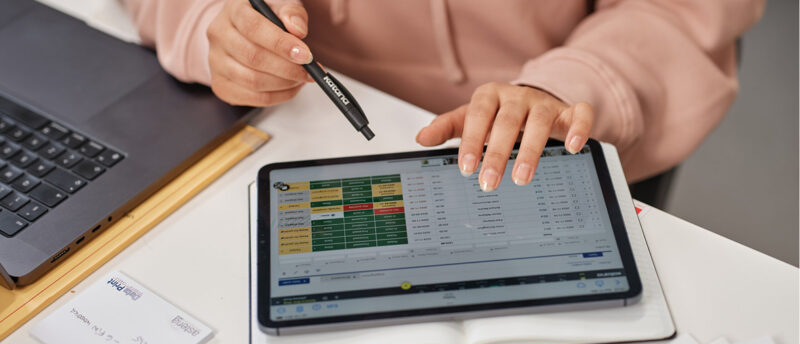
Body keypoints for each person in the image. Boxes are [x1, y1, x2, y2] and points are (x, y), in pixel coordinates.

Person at [123, 0, 763, 192]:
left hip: (580, 116)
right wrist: (207, 22)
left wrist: (570, 83)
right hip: (300, 125)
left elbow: (684, 11)